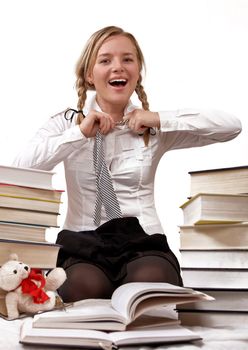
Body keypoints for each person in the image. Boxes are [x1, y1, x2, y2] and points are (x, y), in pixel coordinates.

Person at [13, 26, 242, 302]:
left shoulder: (152, 127)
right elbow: (20, 169)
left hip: (143, 243)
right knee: (82, 287)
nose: (117, 67)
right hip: (83, 244)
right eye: (105, 60)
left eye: (127, 59)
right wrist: (78, 134)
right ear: (89, 74)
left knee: (151, 286)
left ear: (138, 71)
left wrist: (159, 118)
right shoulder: (67, 123)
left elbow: (230, 127)